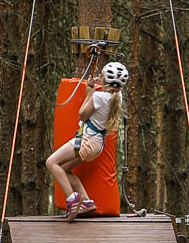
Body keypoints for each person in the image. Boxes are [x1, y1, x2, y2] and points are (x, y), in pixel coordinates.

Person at [46, 58, 128, 219]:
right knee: (65, 169)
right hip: (97, 145)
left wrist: (89, 93)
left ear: (105, 79)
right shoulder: (117, 98)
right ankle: (86, 202)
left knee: (51, 162)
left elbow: (82, 114)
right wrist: (92, 93)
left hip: (87, 141)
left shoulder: (99, 96)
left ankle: (72, 199)